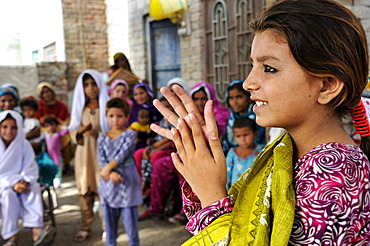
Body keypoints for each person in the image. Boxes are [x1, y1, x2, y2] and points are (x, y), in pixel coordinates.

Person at [150, 0, 370, 244]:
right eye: (253, 65)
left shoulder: (336, 175)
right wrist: (202, 174)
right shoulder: (288, 151)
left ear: (327, 85)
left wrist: (212, 194)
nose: (248, 83)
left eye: (269, 68)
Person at [0, 110, 56, 246]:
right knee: (8, 195)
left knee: (34, 188)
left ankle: (37, 231)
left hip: (22, 182)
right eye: (4, 127)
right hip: (3, 185)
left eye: (13, 127)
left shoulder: (23, 144)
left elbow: (30, 166)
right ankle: (12, 236)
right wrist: (13, 184)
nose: (9, 131)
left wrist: (24, 181)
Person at [69, 69, 110, 242]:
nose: (91, 88)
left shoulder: (107, 107)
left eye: (93, 84)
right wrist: (80, 132)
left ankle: (106, 228)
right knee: (85, 192)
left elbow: (112, 131)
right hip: (83, 155)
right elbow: (71, 131)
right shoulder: (80, 108)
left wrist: (97, 134)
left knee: (103, 193)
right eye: (86, 85)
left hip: (101, 155)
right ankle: (86, 227)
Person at [97, 97, 142, 246]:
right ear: (106, 117)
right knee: (109, 223)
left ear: (127, 117)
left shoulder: (130, 134)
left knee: (130, 222)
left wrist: (108, 169)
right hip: (107, 184)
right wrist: (110, 174)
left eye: (119, 116)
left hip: (127, 181)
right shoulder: (102, 137)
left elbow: (122, 155)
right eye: (111, 116)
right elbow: (101, 158)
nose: (115, 120)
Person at [223, 80, 265, 153]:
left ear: (249, 98)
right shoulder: (230, 120)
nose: (235, 102)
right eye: (231, 98)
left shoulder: (259, 117)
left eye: (239, 97)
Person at [226, 117, 262, 189]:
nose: (243, 139)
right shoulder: (232, 153)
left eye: (246, 135)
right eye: (238, 136)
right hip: (236, 194)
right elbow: (226, 175)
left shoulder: (261, 150)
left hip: (256, 190)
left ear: (255, 134)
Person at [43, 115, 69, 189]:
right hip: (49, 156)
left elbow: (67, 130)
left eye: (52, 125)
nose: (50, 127)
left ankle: (57, 184)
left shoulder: (58, 134)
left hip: (57, 156)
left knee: (58, 171)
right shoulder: (46, 135)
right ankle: (50, 182)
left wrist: (61, 124)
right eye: (47, 126)